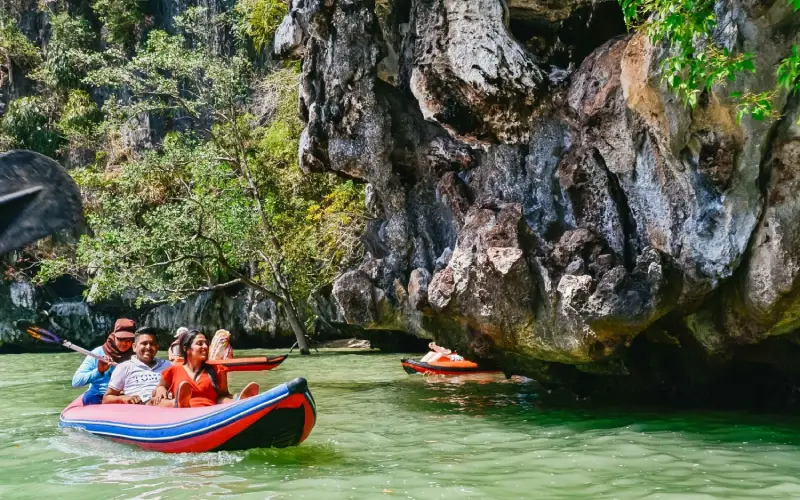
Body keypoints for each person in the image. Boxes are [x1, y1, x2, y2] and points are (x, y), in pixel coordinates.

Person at [154, 329, 259, 408]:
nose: (205, 346)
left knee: (225, 399)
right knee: (158, 401)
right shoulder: (172, 371)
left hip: (207, 412)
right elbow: (161, 387)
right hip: (180, 412)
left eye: (206, 343)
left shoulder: (218, 370)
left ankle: (238, 401)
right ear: (186, 349)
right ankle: (178, 402)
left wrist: (233, 400)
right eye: (200, 343)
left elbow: (222, 396)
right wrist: (160, 388)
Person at [72, 318, 136, 405]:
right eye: (120, 339)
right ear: (113, 337)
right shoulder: (97, 353)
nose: (124, 344)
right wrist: (99, 371)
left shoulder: (138, 355)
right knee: (89, 398)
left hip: (129, 394)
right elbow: (76, 382)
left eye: (128, 340)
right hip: (100, 394)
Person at [103, 328, 172, 405]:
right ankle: (174, 403)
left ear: (157, 347)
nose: (148, 347)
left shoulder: (168, 365)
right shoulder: (124, 367)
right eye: (144, 343)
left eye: (152, 344)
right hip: (139, 405)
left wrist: (162, 387)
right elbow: (106, 399)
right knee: (150, 402)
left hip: (164, 400)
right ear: (134, 347)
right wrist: (123, 398)